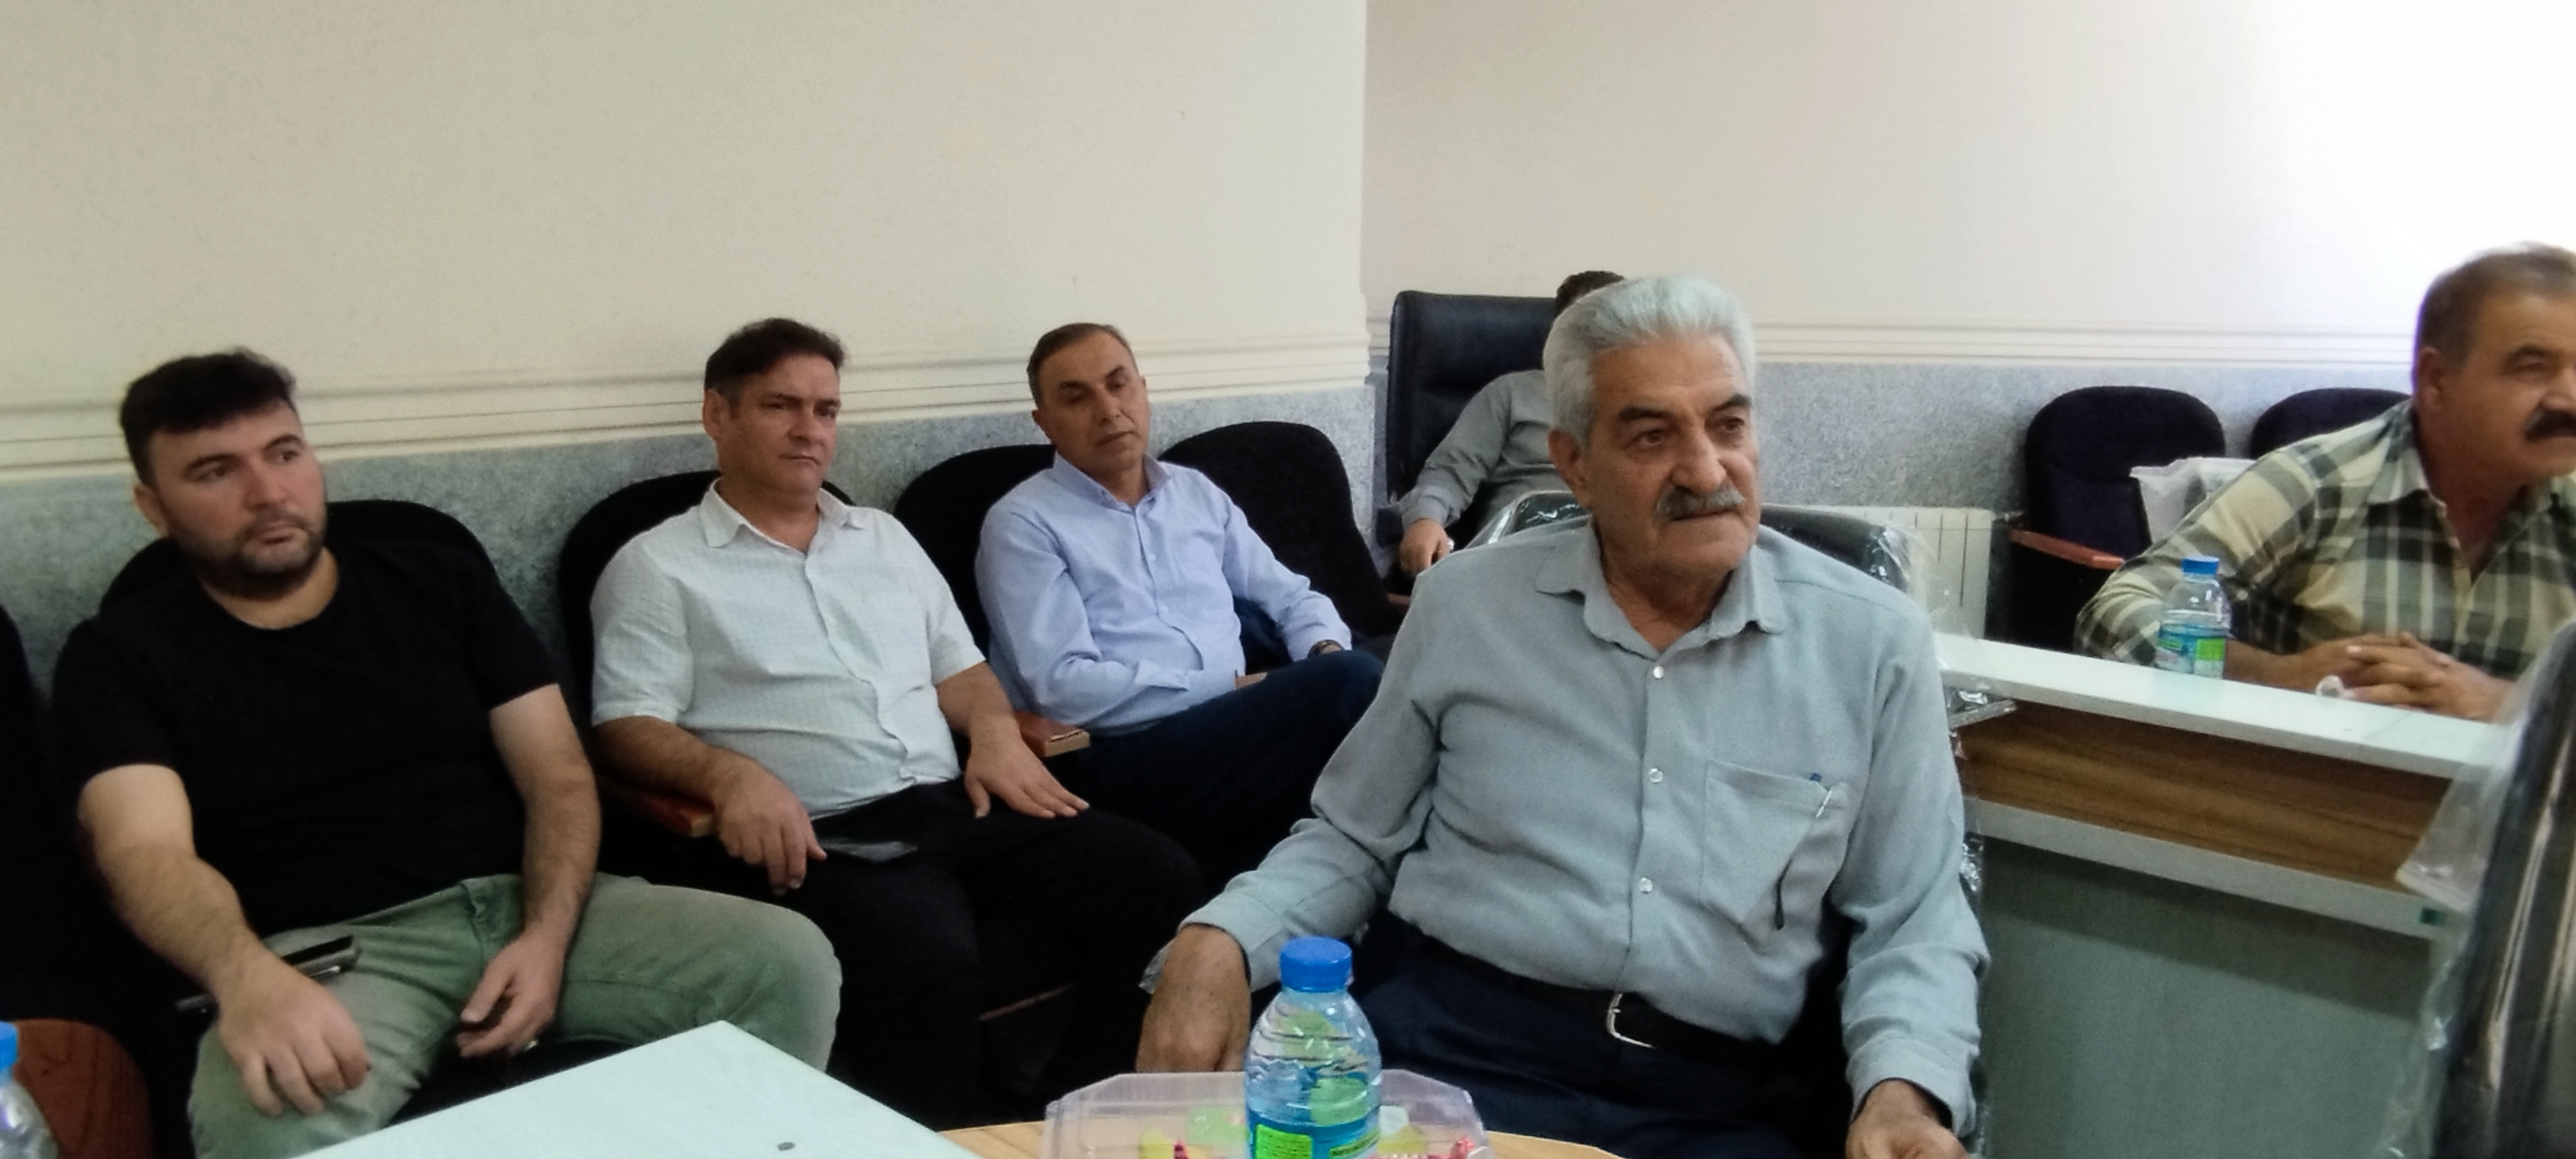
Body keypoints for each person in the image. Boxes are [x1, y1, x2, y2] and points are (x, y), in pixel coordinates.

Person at [1137, 276, 1984, 1159]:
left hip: (1716, 1102)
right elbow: (1355, 837)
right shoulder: (1466, 607)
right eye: (1652, 436)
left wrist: (1902, 1095)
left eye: (1728, 425)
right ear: (1574, 463)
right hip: (1453, 1059)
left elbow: (1915, 918)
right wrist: (1220, 938)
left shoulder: (1870, 643)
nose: (1705, 471)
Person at [52, 351, 841, 1159]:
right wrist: (245, 977)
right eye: (216, 471)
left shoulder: (439, 582)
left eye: (284, 454)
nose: (267, 493)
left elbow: (558, 776)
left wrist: (545, 939)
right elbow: (142, 851)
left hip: (530, 902)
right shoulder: (121, 654)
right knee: (270, 1112)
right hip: (336, 954)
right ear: (154, 507)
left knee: (786, 961)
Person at [588, 318, 1200, 1128]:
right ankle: (942, 1137)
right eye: (781, 406)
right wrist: (727, 776)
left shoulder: (882, 537)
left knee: (1158, 876)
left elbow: (963, 672)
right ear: (717, 414)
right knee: (925, 952)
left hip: (953, 802)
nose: (810, 430)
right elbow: (624, 723)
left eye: (826, 410)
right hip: (824, 835)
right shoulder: (658, 566)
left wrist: (993, 733)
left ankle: (1067, 1112)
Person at [2077, 243, 2576, 721]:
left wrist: (2512, 706)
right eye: (2532, 368)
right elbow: (2116, 614)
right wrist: (2274, 677)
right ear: (2436, 379)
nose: (2567, 398)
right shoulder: (2318, 483)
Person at [976, 323, 1384, 887]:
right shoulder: (1024, 524)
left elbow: (1291, 595)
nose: (1109, 410)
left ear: (1143, 390)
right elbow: (1063, 687)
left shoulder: (1195, 493)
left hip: (1238, 726)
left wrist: (1322, 650)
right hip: (1125, 754)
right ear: (1043, 422)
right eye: (1077, 398)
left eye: (1119, 384)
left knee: (1365, 681)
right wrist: (1239, 688)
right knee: (1354, 686)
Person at [1395, 270, 1625, 574]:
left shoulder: (1649, 405)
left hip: (1616, 555)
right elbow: (1452, 470)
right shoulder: (1510, 394)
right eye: (1583, 324)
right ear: (1558, 334)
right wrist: (1425, 518)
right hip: (1517, 553)